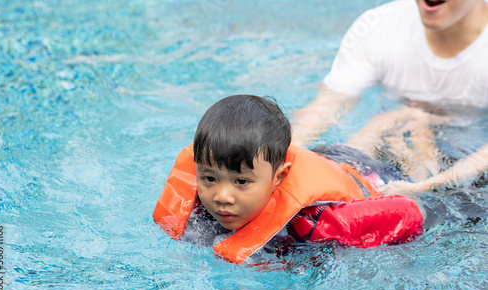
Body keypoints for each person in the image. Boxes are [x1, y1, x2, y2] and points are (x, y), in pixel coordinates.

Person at [153, 95, 423, 265]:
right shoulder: (200, 201)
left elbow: (409, 212)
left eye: (241, 182)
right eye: (210, 178)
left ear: (278, 178)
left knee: (403, 149)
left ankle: (410, 115)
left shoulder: (314, 221)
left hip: (366, 173)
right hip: (304, 158)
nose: (222, 196)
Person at [292, 0, 488, 195]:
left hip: (469, 152)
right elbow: (327, 106)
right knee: (391, 123)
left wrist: (429, 185)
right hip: (392, 134)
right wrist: (288, 155)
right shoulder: (379, 26)